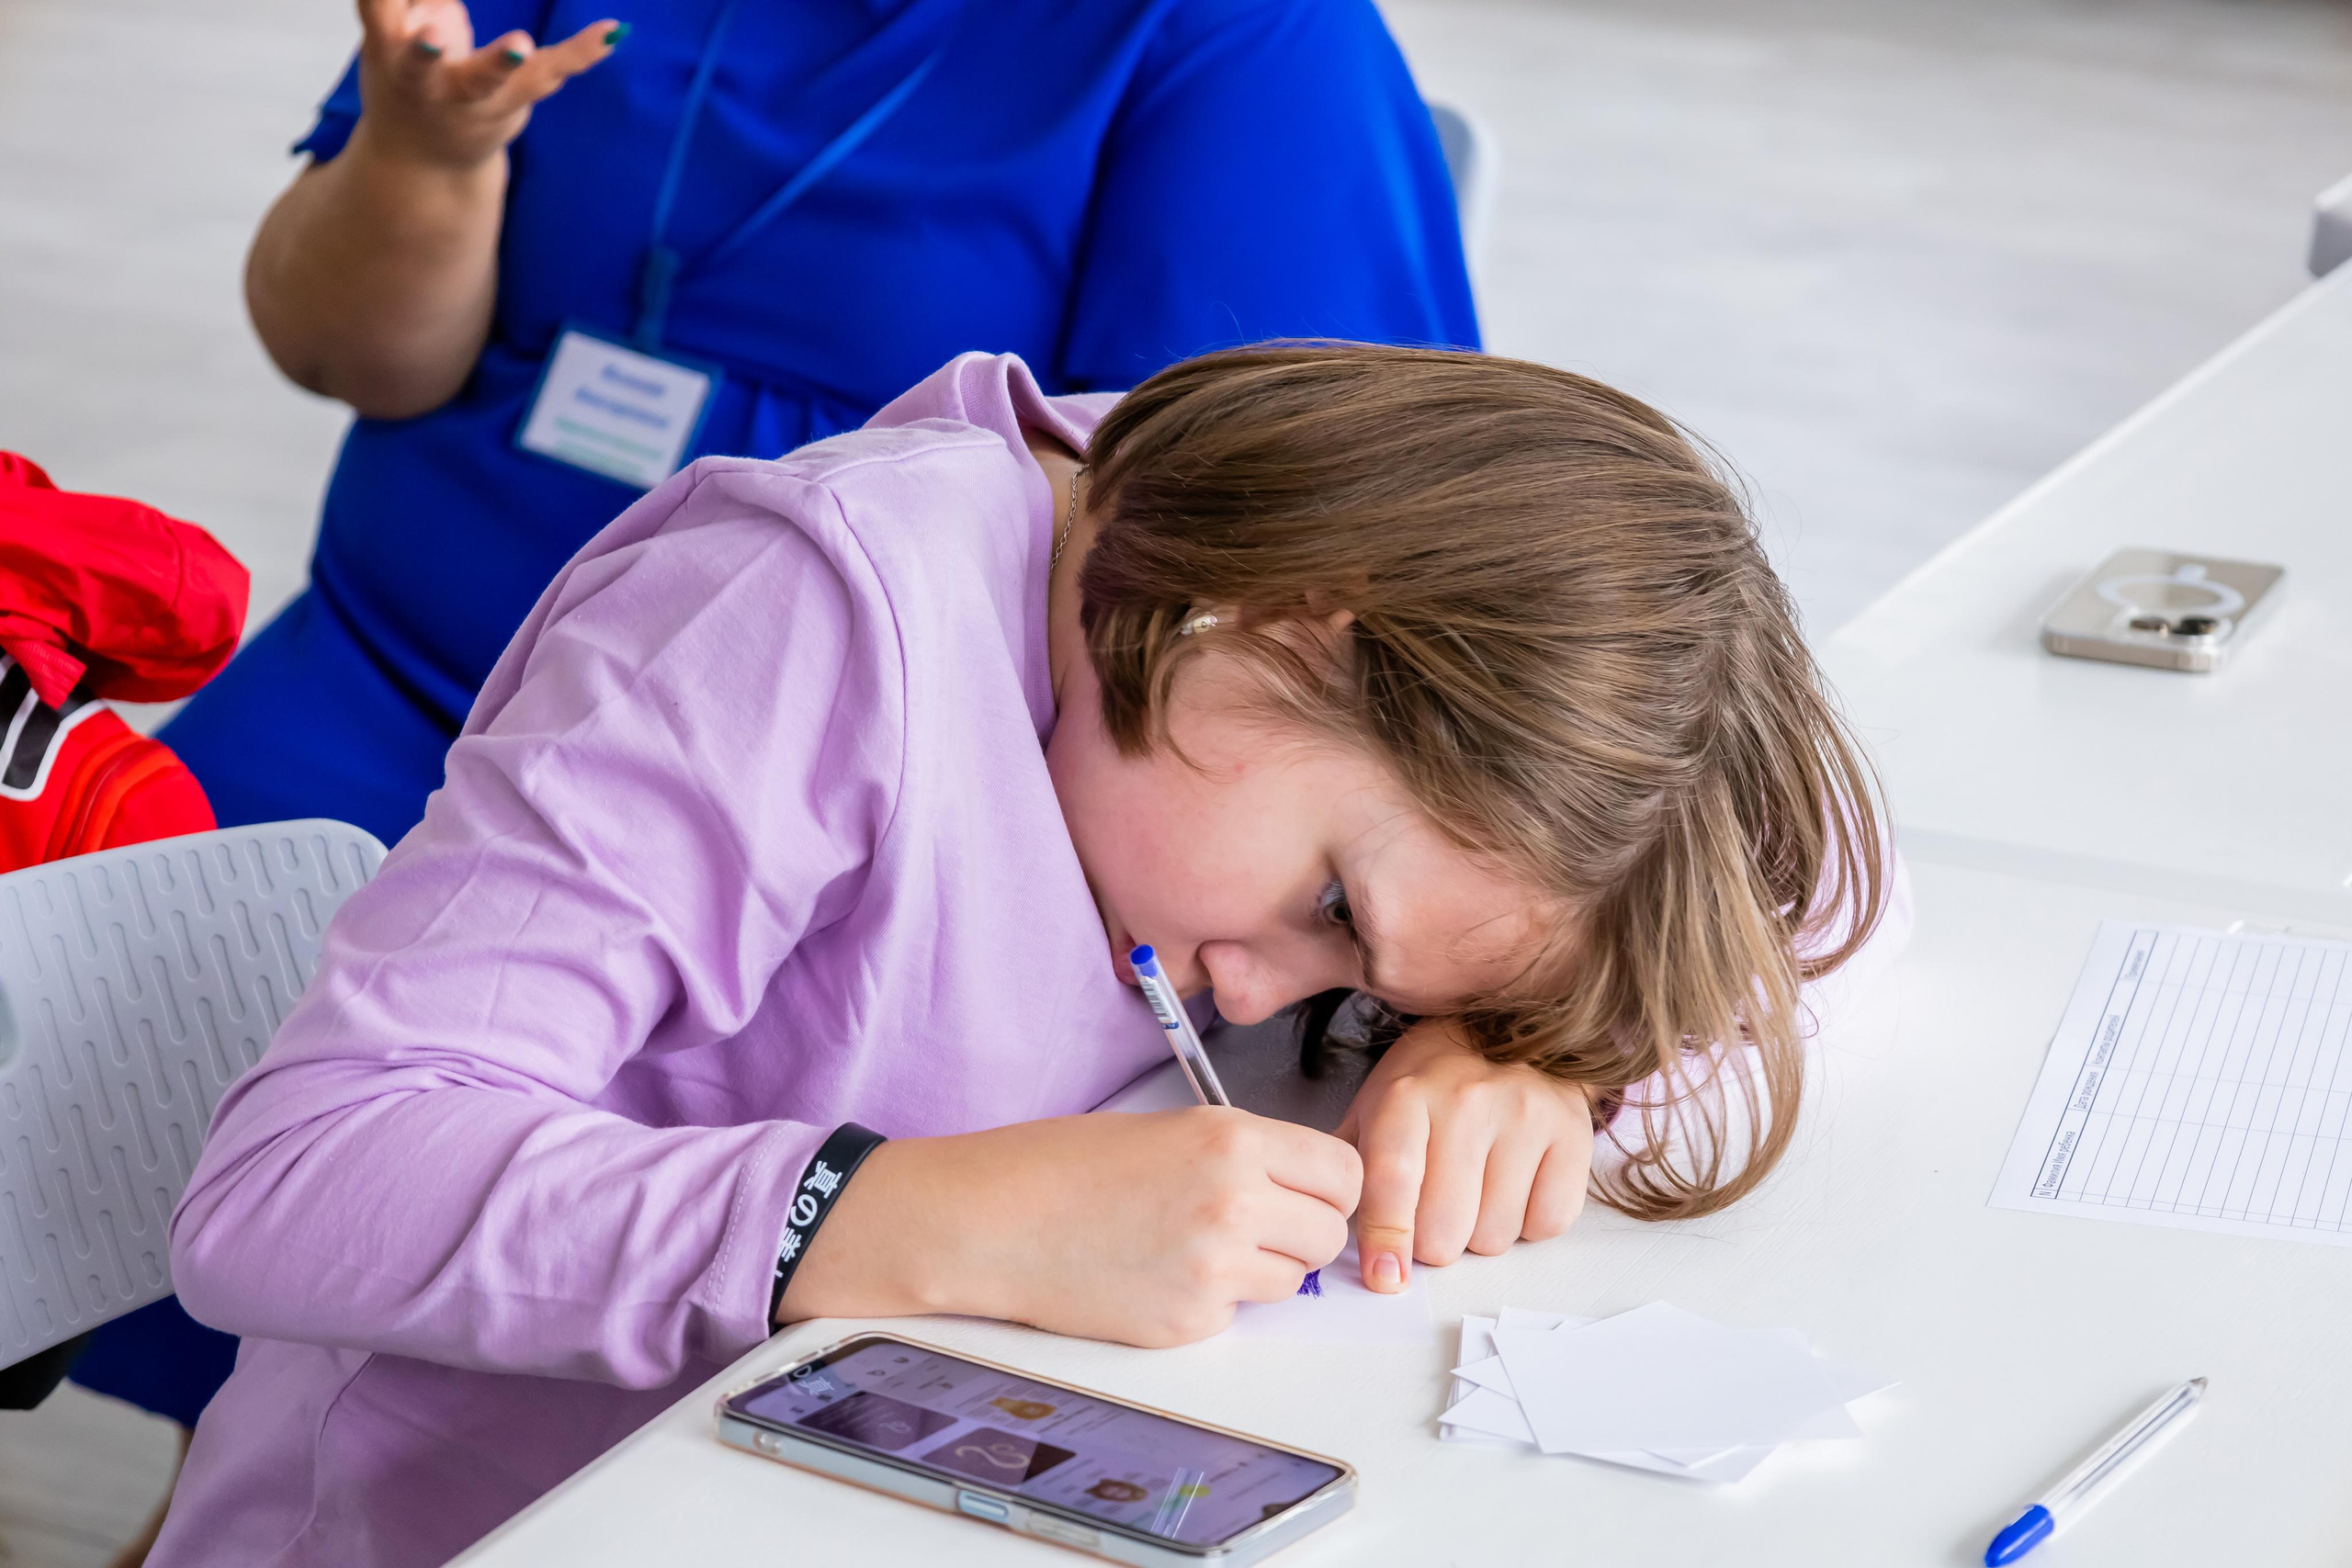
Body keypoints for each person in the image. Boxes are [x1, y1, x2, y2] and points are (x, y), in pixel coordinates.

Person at [153, 342, 1900, 1567]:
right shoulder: (803, 614)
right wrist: (898, 1216)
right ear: (1287, 630)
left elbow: (1782, 937)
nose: (1259, 997)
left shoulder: (1221, 652)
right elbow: (297, 1185)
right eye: (1338, 916)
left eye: (1376, 983)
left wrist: (1520, 1050)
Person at [92, 0, 1478, 1462]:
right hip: (390, 678)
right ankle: (250, 1482)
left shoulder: (1246, 45)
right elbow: (355, 356)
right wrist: (426, 163)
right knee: (146, 1013)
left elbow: (1406, 646)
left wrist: (1489, 1032)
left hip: (839, 790)